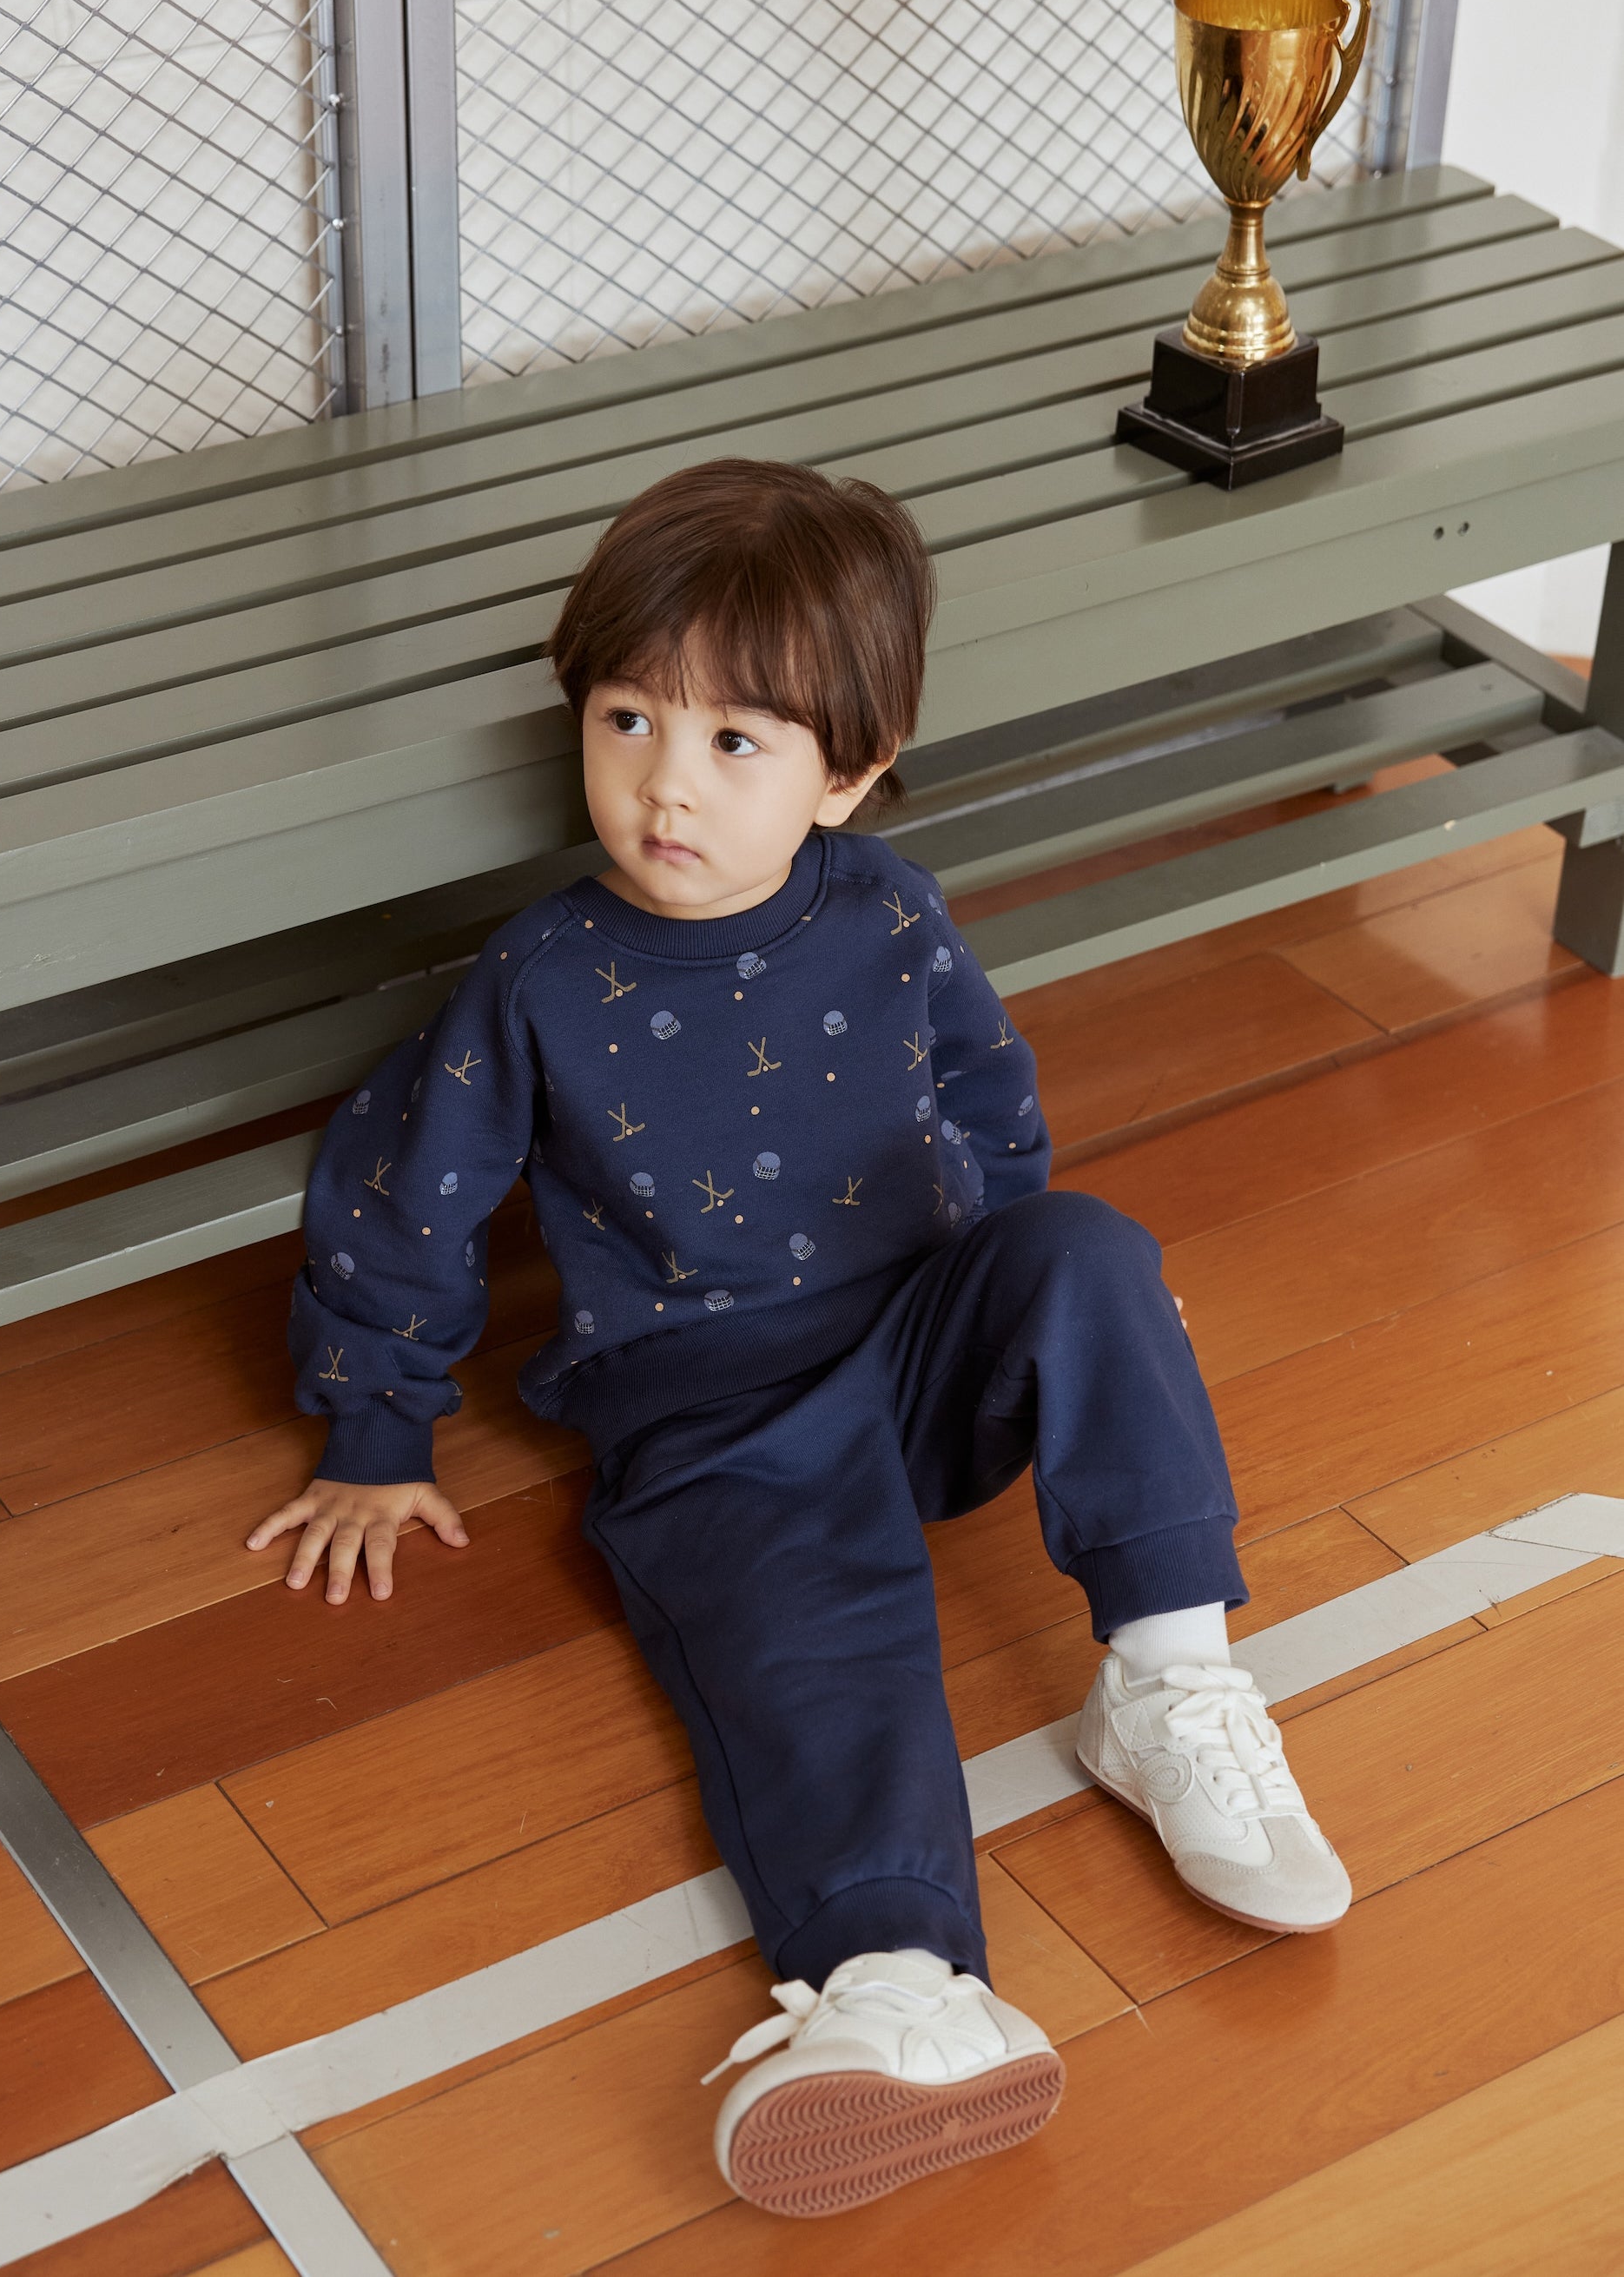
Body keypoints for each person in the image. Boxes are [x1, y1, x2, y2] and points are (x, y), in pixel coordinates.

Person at [249, 459, 1350, 2220]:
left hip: (918, 1348)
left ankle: (1168, 1688)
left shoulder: (894, 914)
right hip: (713, 1422)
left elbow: (995, 1113)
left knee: (1093, 1251)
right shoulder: (539, 978)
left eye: (736, 743)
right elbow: (402, 1191)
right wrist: (376, 1429)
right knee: (813, 1661)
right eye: (627, 720)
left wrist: (1058, 1328)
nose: (663, 786)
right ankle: (897, 1987)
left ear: (851, 772)